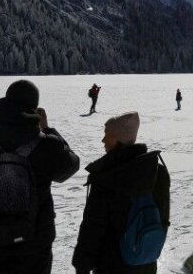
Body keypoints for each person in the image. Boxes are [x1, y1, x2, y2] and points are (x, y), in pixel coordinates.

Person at [0, 80, 80, 274]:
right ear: (34, 108)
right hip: (35, 241)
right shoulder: (47, 144)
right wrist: (48, 130)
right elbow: (70, 166)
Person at [73, 112, 171, 274]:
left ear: (120, 139)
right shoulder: (157, 171)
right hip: (145, 261)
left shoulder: (107, 176)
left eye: (108, 135)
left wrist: (81, 265)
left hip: (111, 264)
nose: (103, 140)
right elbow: (163, 219)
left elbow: (93, 228)